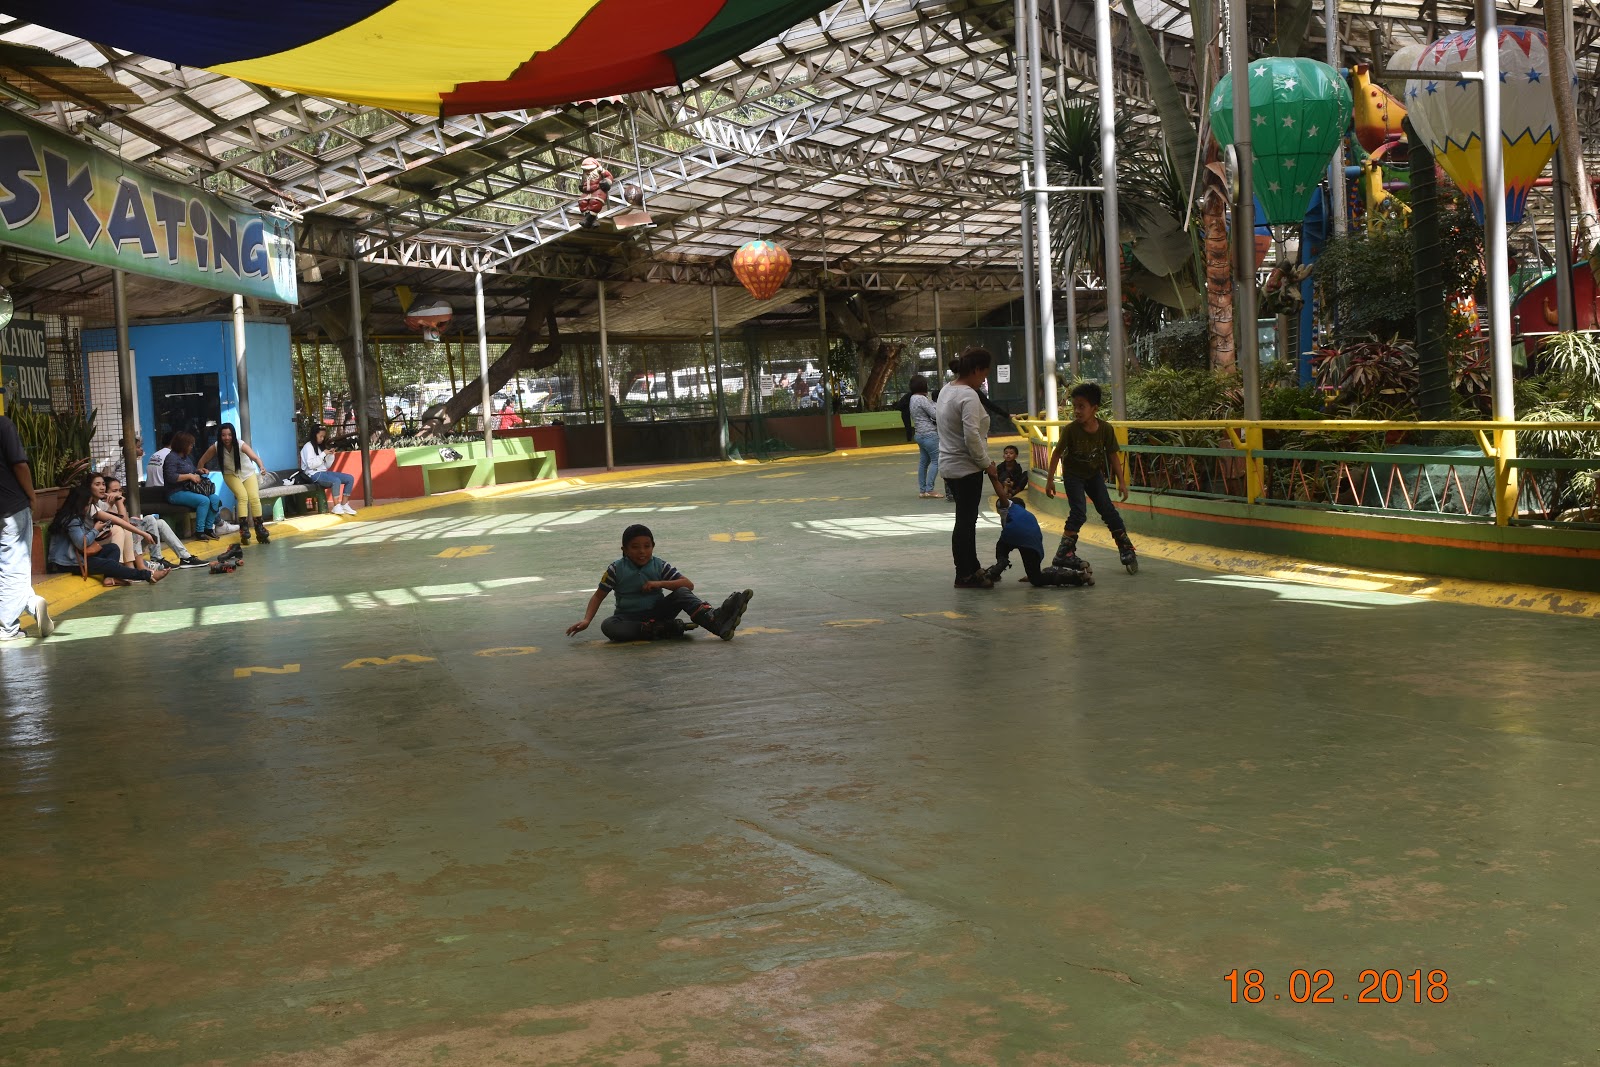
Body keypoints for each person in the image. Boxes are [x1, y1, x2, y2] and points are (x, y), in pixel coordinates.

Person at [566, 523, 754, 642]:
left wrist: (659, 584)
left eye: (647, 546)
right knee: (608, 626)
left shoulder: (659, 565)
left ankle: (716, 620)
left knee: (681, 593)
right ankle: (667, 628)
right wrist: (587, 620)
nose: (642, 552)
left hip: (659, 611)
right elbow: (599, 595)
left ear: (653, 546)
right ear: (624, 549)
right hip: (630, 618)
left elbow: (688, 584)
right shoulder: (616, 569)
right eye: (635, 547)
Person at [937, 347, 1011, 588]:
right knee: (966, 522)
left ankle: (972, 568)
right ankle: (964, 574)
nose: (984, 379)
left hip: (949, 465)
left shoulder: (947, 390)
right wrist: (986, 464)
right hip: (966, 467)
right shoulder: (968, 396)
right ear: (977, 369)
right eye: (984, 374)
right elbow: (971, 437)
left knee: (966, 520)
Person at [1045, 382, 1137, 570]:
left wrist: (1121, 481)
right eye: (1074, 406)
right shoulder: (1071, 429)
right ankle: (1064, 553)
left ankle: (1125, 547)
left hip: (1093, 475)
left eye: (1081, 406)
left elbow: (1113, 455)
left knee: (1108, 510)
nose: (1076, 411)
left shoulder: (1105, 429)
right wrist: (1050, 480)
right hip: (1073, 475)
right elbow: (1057, 453)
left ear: (1094, 408)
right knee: (1078, 512)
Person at [46, 480, 168, 587]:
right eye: (87, 504)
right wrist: (96, 529)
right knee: (109, 564)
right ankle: (148, 575)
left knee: (113, 549)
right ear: (78, 503)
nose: (88, 508)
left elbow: (120, 520)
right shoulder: (71, 519)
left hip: (77, 557)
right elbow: (81, 543)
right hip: (66, 563)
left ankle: (109, 578)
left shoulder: (77, 516)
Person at [0, 412, 51, 641]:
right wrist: (32, 496)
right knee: (13, 567)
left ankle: (31, 604)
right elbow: (20, 465)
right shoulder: (3, 424)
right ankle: (7, 627)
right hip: (11, 506)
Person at [103, 475, 207, 569]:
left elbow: (126, 522)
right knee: (147, 521)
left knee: (156, 521)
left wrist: (130, 517)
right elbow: (124, 525)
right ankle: (157, 558)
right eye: (114, 490)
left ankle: (185, 557)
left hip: (133, 543)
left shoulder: (119, 503)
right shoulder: (103, 506)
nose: (118, 493)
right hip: (120, 547)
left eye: (120, 490)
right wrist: (119, 504)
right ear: (106, 492)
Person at [984, 498, 1093, 588]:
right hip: (1032, 542)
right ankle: (1077, 577)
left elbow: (1002, 497)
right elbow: (1037, 542)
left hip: (1013, 534)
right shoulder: (1029, 516)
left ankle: (998, 567)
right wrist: (1033, 572)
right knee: (1036, 579)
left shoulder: (1008, 510)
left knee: (1002, 547)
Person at [199, 423, 271, 544]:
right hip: (230, 474)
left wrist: (262, 467)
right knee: (242, 496)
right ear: (219, 436)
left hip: (247, 473)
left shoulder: (240, 444)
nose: (226, 438)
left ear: (233, 435)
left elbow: (255, 458)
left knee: (254, 497)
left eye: (229, 435)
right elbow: (202, 461)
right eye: (223, 435)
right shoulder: (216, 447)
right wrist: (201, 470)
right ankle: (244, 529)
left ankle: (259, 528)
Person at [163, 431, 224, 540]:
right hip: (176, 492)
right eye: (190, 444)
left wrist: (200, 471)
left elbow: (192, 471)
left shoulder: (186, 457)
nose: (192, 447)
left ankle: (208, 528)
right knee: (204, 501)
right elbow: (171, 477)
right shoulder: (171, 457)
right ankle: (199, 531)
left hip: (190, 489)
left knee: (214, 498)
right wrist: (189, 476)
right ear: (183, 444)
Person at [300, 427, 359, 516]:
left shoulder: (319, 447)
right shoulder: (308, 447)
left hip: (323, 472)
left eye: (323, 437)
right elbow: (311, 465)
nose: (322, 438)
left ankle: (344, 504)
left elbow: (326, 466)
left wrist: (330, 455)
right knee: (336, 481)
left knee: (349, 478)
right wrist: (323, 454)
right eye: (320, 436)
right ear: (314, 435)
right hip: (313, 474)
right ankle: (336, 506)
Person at [906, 375, 940, 498]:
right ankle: (930, 489)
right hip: (929, 434)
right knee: (937, 460)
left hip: (919, 434)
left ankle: (922, 490)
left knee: (924, 462)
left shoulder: (912, 398)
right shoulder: (922, 399)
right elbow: (935, 415)